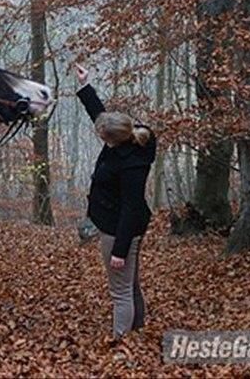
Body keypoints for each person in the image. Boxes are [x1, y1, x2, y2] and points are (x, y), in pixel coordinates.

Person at [74, 63, 156, 339]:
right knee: (129, 283)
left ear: (114, 141)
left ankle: (121, 341)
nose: (100, 137)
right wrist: (86, 87)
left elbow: (131, 208)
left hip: (119, 229)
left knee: (120, 290)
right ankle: (136, 331)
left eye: (102, 137)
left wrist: (119, 250)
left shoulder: (130, 166)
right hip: (110, 221)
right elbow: (101, 116)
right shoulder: (128, 133)